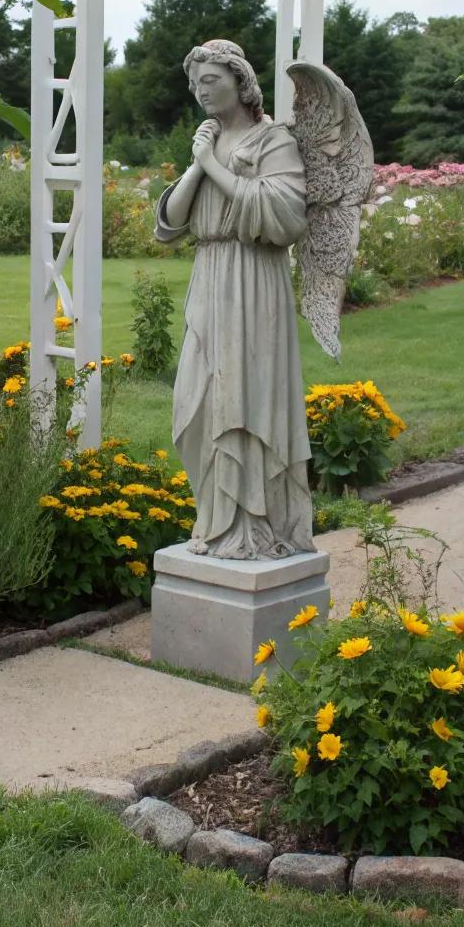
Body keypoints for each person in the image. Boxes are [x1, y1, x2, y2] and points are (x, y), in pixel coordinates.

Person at [155, 39, 314, 559]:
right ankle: (214, 518)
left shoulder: (274, 139)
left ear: (241, 82)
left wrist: (213, 163)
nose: (201, 92)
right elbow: (171, 223)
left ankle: (254, 527)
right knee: (199, 396)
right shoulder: (208, 140)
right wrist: (199, 163)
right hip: (210, 275)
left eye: (212, 81)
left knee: (246, 394)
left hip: (253, 277)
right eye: (195, 84)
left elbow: (285, 216)